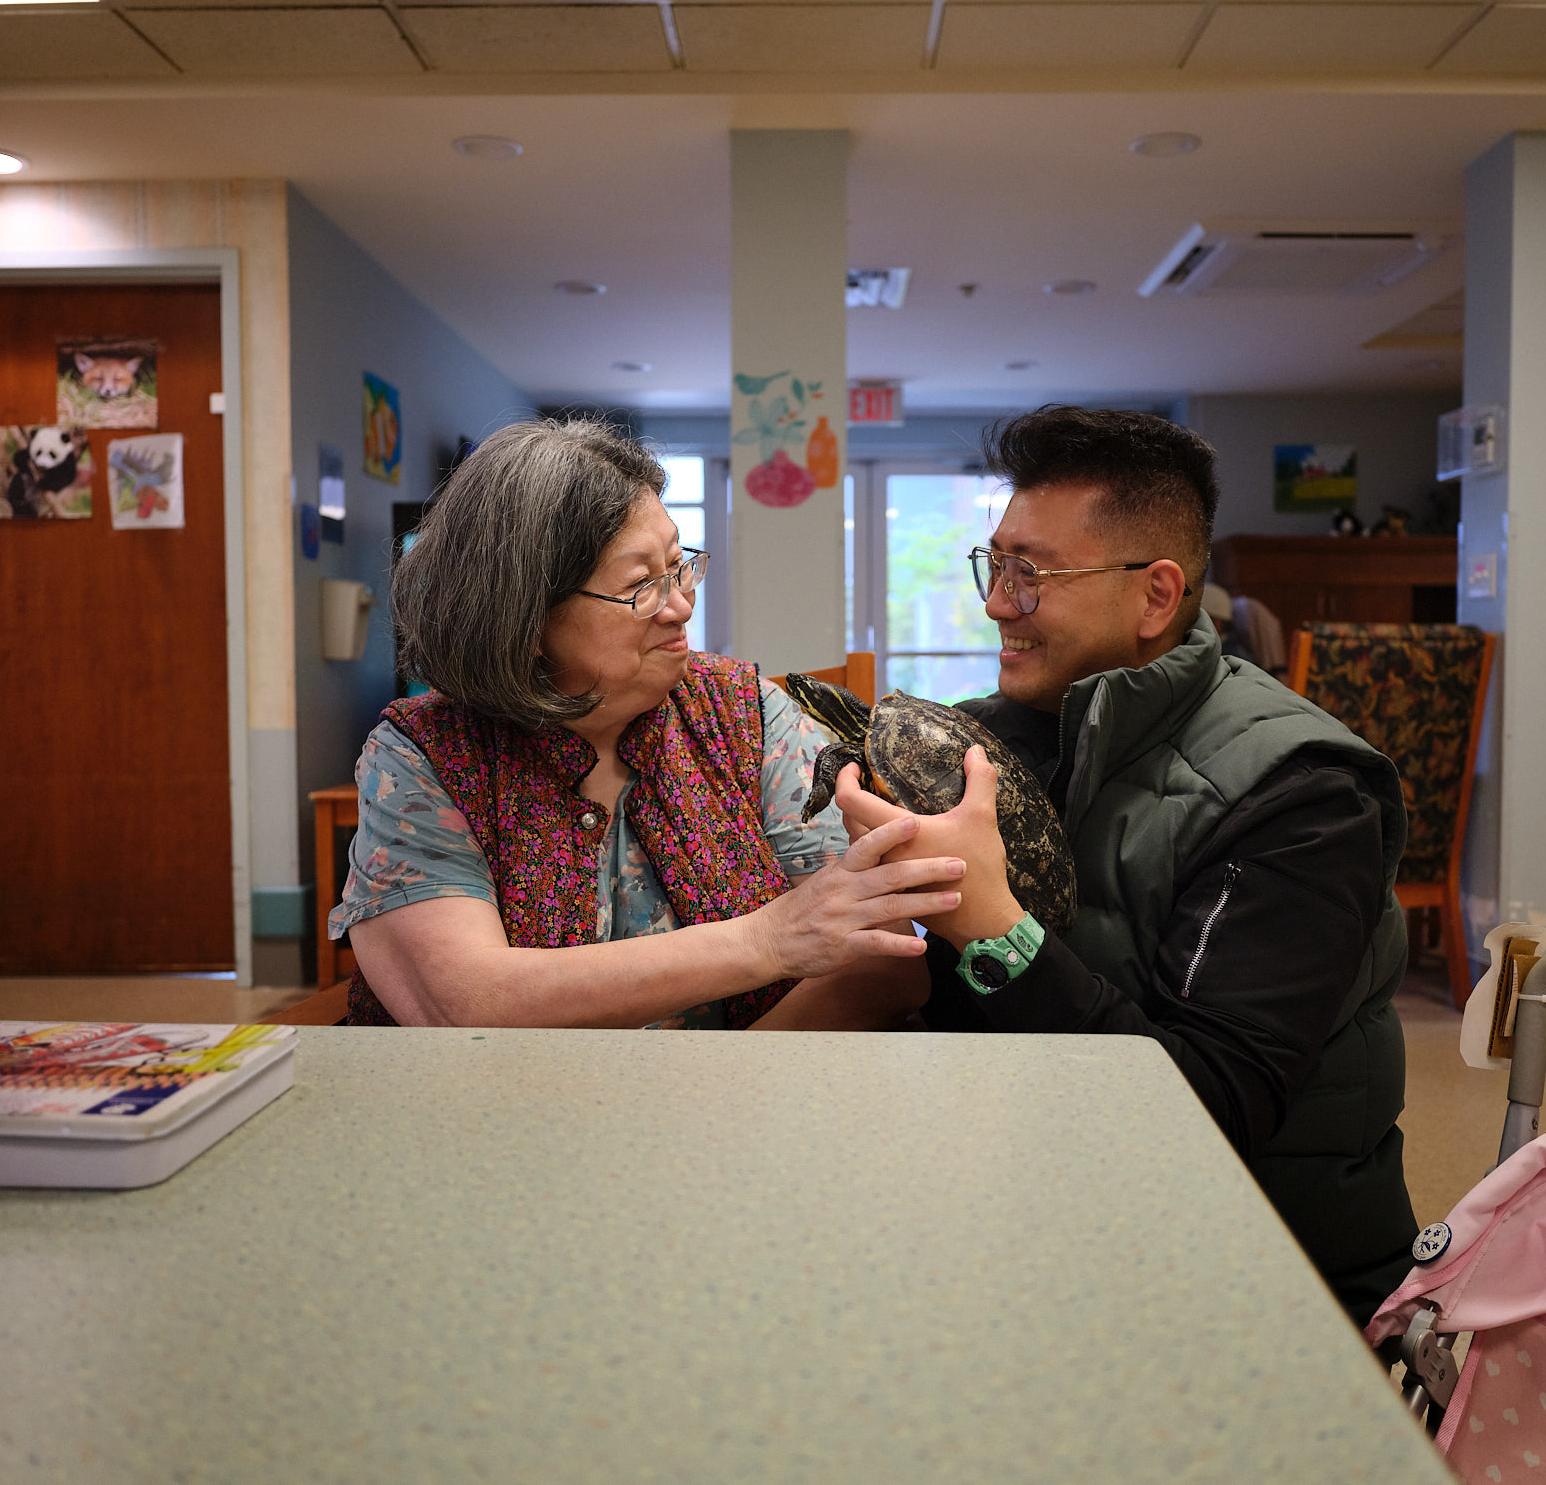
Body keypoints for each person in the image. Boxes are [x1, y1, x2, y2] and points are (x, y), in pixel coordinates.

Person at [834, 406, 1420, 1327]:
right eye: (996, 565)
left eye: (1031, 575)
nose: (995, 603)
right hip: (1040, 1218)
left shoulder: (1304, 793)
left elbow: (1208, 1106)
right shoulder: (993, 739)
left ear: (1154, 596)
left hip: (1262, 1273)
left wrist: (991, 928)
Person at [332, 417, 964, 1030]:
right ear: (524, 622)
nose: (682, 605)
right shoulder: (426, 753)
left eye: (679, 566)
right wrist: (770, 940)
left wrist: (709, 1102)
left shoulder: (747, 717)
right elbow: (464, 1003)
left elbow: (881, 968)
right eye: (642, 585)